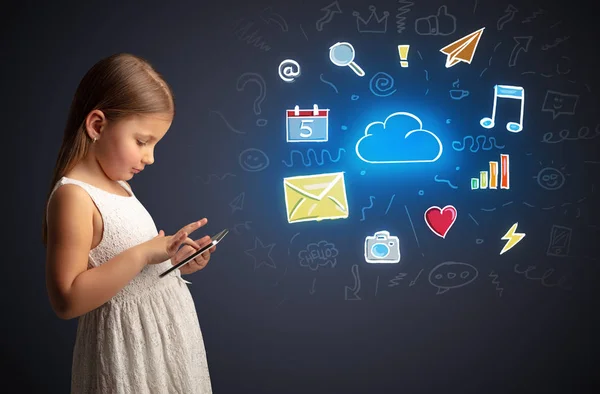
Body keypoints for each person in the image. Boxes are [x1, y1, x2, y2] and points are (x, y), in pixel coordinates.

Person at [42, 53, 215, 393]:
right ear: (97, 125)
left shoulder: (120, 185)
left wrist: (172, 263)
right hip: (128, 352)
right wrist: (140, 255)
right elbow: (67, 300)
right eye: (142, 141)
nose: (150, 157)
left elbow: (127, 275)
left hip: (167, 338)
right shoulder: (74, 197)